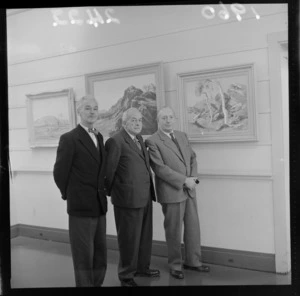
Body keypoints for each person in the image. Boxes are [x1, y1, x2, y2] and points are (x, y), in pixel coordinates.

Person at [145, 106, 210, 280]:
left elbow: (192, 158)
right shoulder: (152, 140)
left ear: (175, 119)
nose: (168, 120)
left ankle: (193, 261)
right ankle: (175, 265)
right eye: (164, 117)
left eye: (171, 117)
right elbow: (159, 168)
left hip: (189, 189)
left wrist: (193, 179)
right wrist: (184, 180)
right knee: (173, 231)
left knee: (193, 227)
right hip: (172, 191)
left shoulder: (182, 135)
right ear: (158, 121)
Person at [53, 95, 107, 287]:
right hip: (80, 206)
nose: (92, 112)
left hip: (100, 205)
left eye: (95, 108)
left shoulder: (99, 136)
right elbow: (59, 173)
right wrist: (71, 195)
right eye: (87, 108)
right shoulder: (69, 139)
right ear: (79, 112)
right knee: (84, 255)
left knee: (100, 253)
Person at [104, 107, 160, 287]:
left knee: (144, 236)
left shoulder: (140, 139)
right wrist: (118, 194)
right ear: (124, 122)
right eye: (133, 120)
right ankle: (126, 275)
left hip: (144, 197)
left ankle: (142, 267)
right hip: (127, 200)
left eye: (140, 120)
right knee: (129, 239)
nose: (138, 123)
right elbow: (109, 172)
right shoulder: (116, 141)